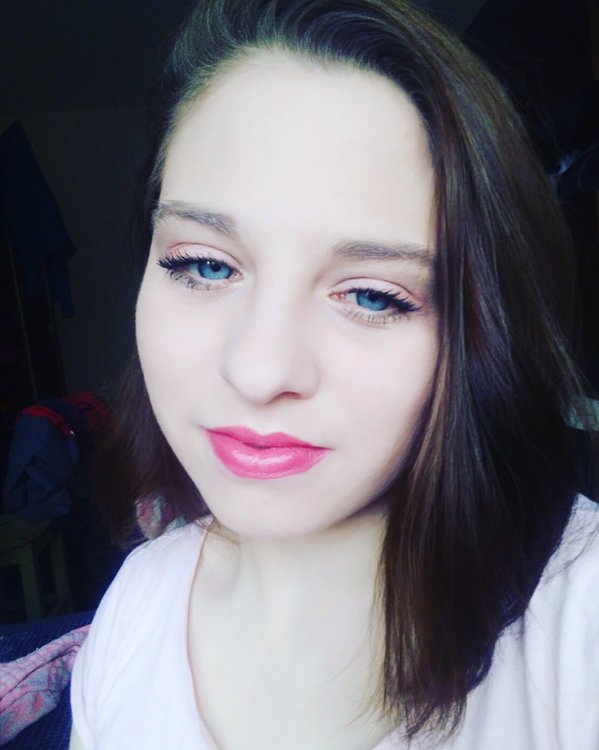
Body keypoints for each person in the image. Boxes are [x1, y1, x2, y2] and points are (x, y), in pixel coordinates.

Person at [69, 0, 599, 748]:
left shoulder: (580, 629)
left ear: (480, 328)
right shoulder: (138, 604)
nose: (259, 371)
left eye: (373, 296)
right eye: (206, 265)